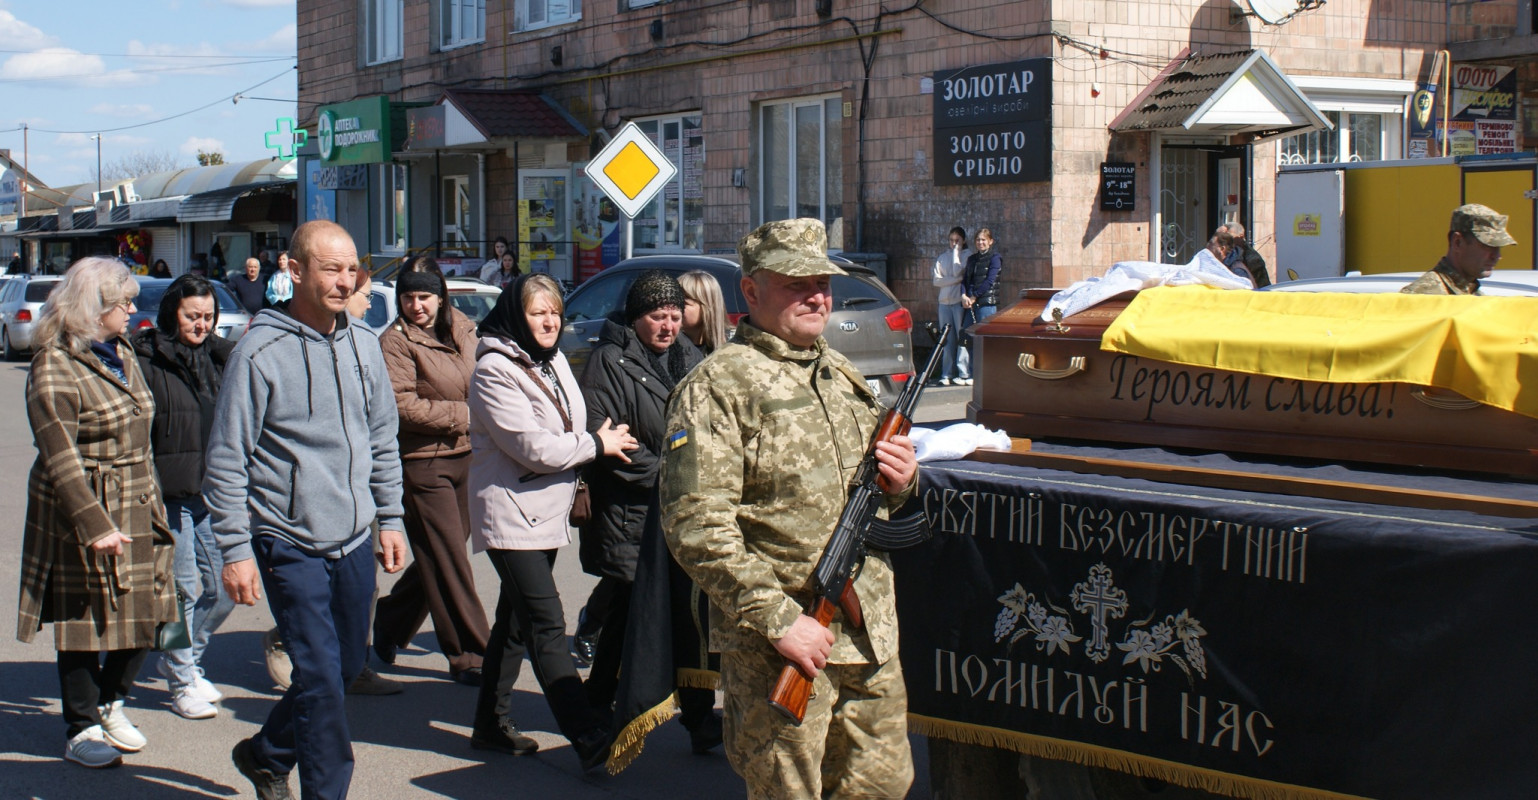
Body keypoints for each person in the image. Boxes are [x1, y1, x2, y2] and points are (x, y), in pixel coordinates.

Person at [660, 218, 920, 799]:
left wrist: (904, 480)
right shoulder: (718, 386)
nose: (817, 296)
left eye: (822, 283)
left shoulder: (841, 373)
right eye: (795, 284)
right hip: (782, 646)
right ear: (751, 292)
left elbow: (881, 489)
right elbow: (695, 527)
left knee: (884, 785)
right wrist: (782, 622)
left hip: (869, 636)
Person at [204, 220, 407, 799]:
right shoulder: (259, 352)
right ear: (295, 271)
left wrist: (389, 517)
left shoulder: (365, 343)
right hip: (286, 536)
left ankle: (266, 754)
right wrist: (235, 550)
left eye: (353, 270)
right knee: (318, 682)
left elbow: (382, 440)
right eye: (331, 269)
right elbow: (226, 458)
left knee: (343, 670)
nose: (346, 282)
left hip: (353, 537)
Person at [467, 273, 635, 769]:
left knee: (515, 621)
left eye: (555, 312)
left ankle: (489, 725)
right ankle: (586, 734)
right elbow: (532, 447)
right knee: (545, 621)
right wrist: (594, 445)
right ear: (516, 315)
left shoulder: (553, 358)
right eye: (537, 312)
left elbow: (568, 420)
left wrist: (590, 435)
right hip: (510, 513)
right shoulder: (494, 369)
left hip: (546, 512)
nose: (548, 321)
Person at [17, 256, 177, 769]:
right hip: (85, 504)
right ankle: (81, 726)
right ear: (94, 308)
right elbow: (59, 454)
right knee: (85, 622)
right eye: (123, 302)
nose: (132, 309)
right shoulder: (53, 363)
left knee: (151, 610)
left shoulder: (122, 350)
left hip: (137, 495)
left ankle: (112, 702)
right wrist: (93, 525)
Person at [576, 271, 710, 740]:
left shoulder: (689, 355)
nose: (667, 326)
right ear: (636, 318)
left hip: (680, 508)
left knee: (688, 614)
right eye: (657, 316)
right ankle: (597, 706)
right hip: (633, 512)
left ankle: (697, 715)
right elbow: (615, 444)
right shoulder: (608, 361)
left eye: (675, 316)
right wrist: (677, 474)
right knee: (629, 615)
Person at [371, 258, 492, 686]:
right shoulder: (395, 342)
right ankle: (472, 653)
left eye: (423, 296)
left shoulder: (463, 327)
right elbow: (401, 405)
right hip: (423, 464)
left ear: (440, 297)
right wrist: (466, 414)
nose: (416, 305)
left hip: (468, 456)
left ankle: (389, 621)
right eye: (408, 297)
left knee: (440, 556)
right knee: (452, 560)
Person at [131, 275, 237, 721]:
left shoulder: (220, 357)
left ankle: (186, 659)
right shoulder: (147, 357)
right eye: (192, 315)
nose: (202, 324)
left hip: (211, 492)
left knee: (224, 590)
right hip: (166, 495)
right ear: (173, 313)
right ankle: (181, 680)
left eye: (209, 316)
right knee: (182, 591)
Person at [1401, 203, 1516, 296]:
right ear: (1458, 242)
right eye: (1488, 246)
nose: (1496, 256)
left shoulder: (1475, 295)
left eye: (1498, 247)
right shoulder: (1421, 297)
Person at [931, 226, 972, 386]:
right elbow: (936, 281)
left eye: (957, 241)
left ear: (963, 241)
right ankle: (946, 373)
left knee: (961, 337)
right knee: (946, 339)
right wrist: (956, 280)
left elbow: (957, 271)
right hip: (944, 303)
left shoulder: (967, 255)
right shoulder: (942, 257)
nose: (954, 244)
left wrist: (957, 253)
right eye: (951, 240)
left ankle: (963, 372)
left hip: (958, 302)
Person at [961, 226, 1002, 335]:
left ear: (990, 241)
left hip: (985, 304)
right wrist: (963, 295)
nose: (980, 242)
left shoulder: (995, 258)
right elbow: (965, 280)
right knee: (967, 337)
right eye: (978, 240)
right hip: (970, 304)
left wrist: (975, 296)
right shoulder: (971, 259)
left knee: (984, 337)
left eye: (983, 239)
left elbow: (989, 281)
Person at [677, 270, 729, 355]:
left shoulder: (729, 351)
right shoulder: (668, 349)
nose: (675, 309)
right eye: (674, 301)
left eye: (684, 303)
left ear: (707, 307)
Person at [1220, 223, 1270, 288]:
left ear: (1241, 237)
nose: (1226, 241)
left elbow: (1260, 285)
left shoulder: (1253, 258)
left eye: (1230, 237)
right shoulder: (1226, 254)